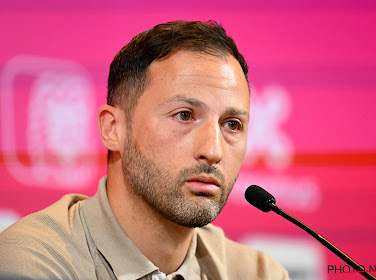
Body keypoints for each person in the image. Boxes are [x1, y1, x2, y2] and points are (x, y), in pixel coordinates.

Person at [0, 20, 290, 280]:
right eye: (185, 115)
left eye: (232, 124)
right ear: (113, 129)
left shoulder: (259, 274)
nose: (213, 151)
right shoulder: (33, 262)